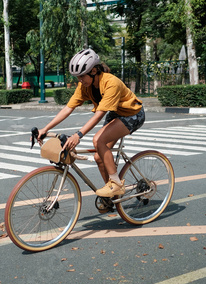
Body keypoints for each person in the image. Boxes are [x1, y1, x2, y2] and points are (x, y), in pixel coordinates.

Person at [37, 48, 145, 200]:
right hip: (115, 114)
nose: (79, 80)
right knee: (98, 157)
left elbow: (99, 115)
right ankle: (112, 196)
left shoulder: (110, 83)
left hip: (133, 114)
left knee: (98, 140)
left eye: (82, 76)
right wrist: (45, 129)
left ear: (94, 71)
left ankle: (116, 183)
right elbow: (68, 108)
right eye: (77, 77)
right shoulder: (85, 86)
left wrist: (78, 135)